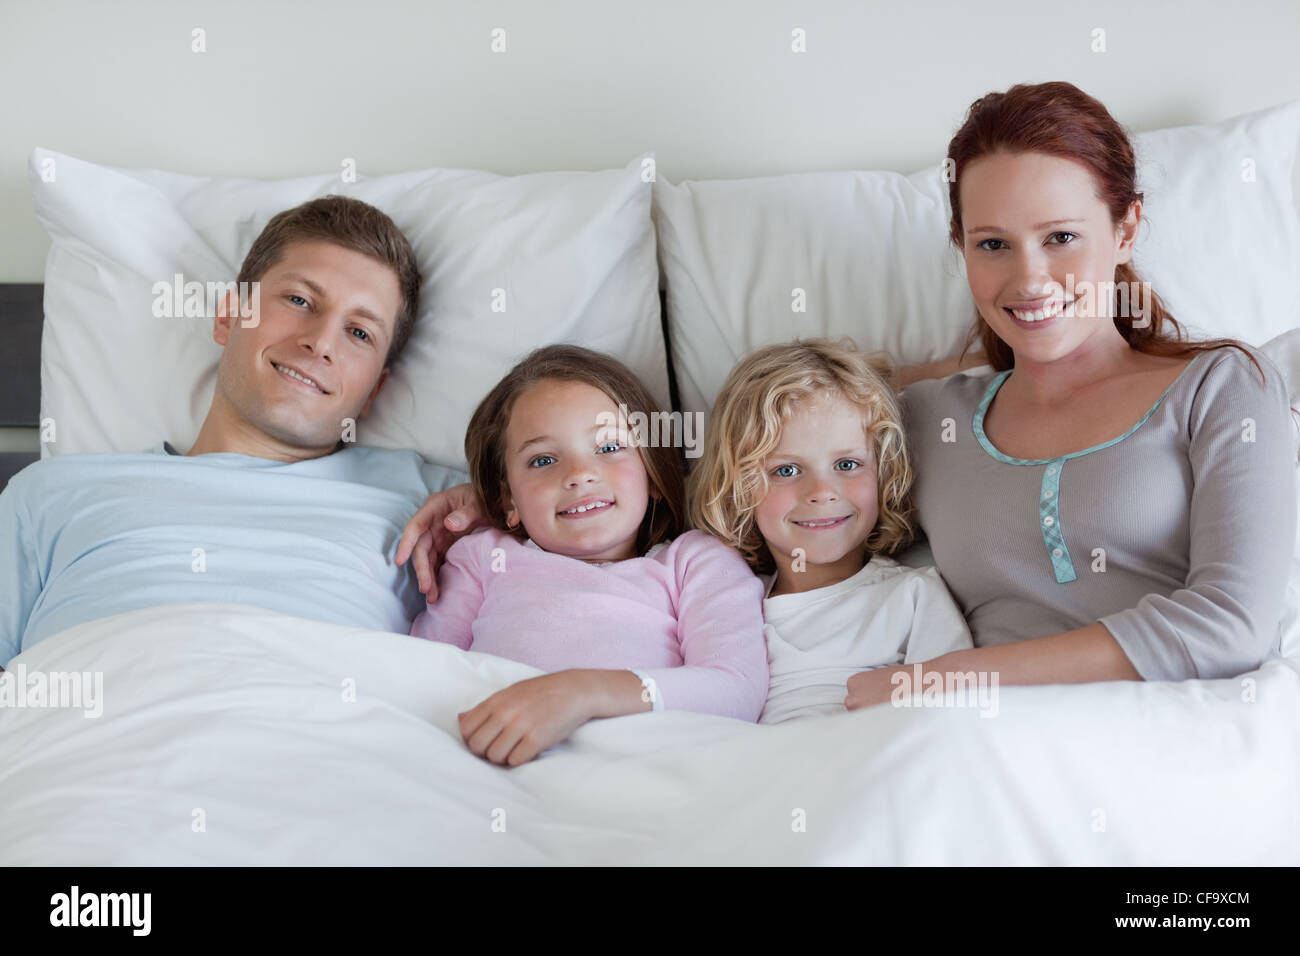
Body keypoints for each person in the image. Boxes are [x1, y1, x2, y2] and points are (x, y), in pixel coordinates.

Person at [397, 81, 1296, 709]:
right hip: (981, 749)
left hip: (1179, 721)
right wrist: (503, 484)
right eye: (991, 244)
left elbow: (1233, 621)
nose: (1029, 277)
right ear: (961, 247)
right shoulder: (935, 417)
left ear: (1126, 226)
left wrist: (946, 682)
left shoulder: (1223, 388)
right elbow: (753, 433)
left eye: (1061, 235)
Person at [1, 196, 464, 669]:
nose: (320, 342)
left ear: (373, 391)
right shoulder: (50, 496)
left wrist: (488, 505)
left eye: (360, 333)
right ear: (229, 315)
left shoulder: (437, 503)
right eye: (300, 300)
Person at [410, 345, 768, 766]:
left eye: (609, 447)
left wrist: (581, 693)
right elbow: (423, 676)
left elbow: (736, 689)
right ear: (509, 499)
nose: (579, 474)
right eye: (543, 459)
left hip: (646, 770)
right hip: (494, 770)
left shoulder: (695, 563)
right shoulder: (482, 558)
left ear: (652, 472)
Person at [689, 339, 972, 723]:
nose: (822, 492)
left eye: (847, 464)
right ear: (738, 488)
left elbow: (957, 717)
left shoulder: (912, 596)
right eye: (786, 470)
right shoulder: (724, 603)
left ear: (884, 473)